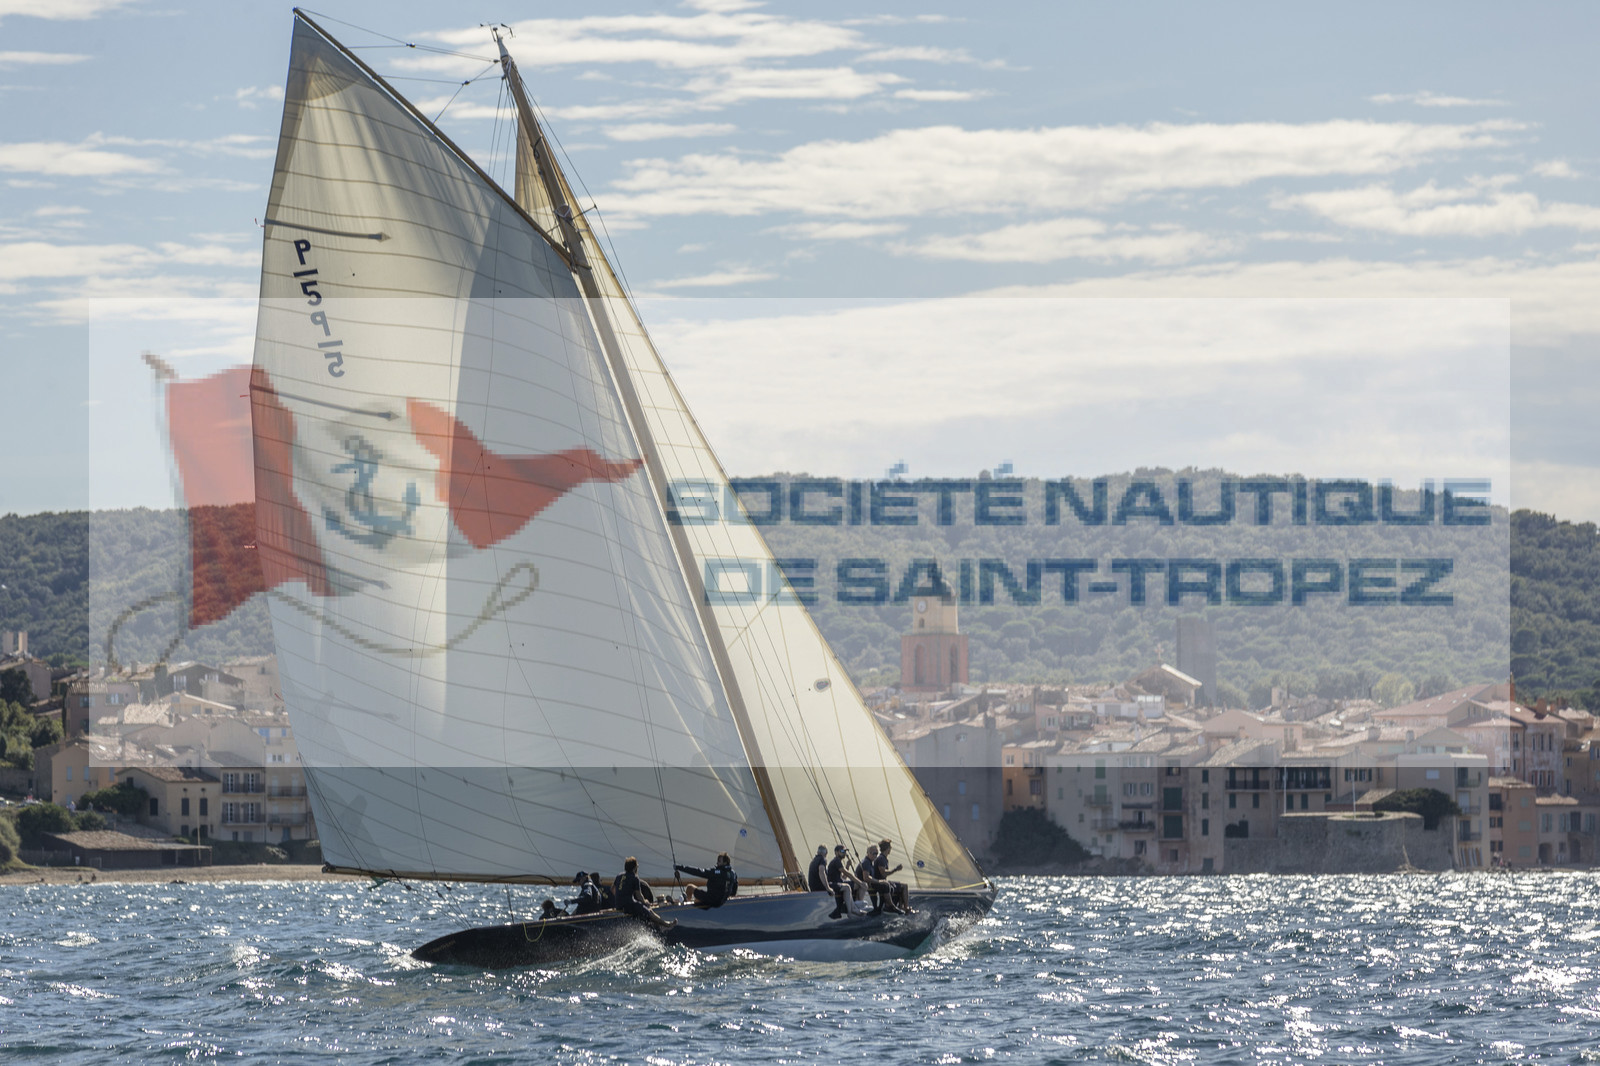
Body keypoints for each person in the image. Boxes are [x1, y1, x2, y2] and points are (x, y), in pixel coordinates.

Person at [615, 856, 676, 930]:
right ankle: (667, 924)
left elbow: (613, 889)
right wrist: (645, 902)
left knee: (643, 907)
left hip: (618, 905)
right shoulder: (634, 877)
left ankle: (662, 922)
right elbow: (639, 895)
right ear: (634, 868)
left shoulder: (619, 875)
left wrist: (620, 896)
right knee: (648, 910)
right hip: (629, 905)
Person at [674, 852, 738, 908]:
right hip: (721, 901)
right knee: (698, 898)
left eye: (719, 861)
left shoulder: (716, 873)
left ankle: (686, 908)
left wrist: (680, 867)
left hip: (711, 900)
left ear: (725, 863)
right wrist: (730, 895)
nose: (717, 862)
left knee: (690, 887)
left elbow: (698, 871)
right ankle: (693, 904)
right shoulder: (733, 873)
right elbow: (735, 885)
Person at [855, 844, 903, 915]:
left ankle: (880, 908)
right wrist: (880, 881)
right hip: (864, 886)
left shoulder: (870, 862)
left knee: (889, 887)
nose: (875, 856)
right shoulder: (866, 862)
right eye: (874, 853)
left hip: (868, 884)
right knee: (885, 886)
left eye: (877, 853)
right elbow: (866, 877)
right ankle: (890, 906)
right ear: (868, 853)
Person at [874, 838, 914, 913]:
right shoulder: (881, 859)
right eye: (890, 847)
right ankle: (905, 907)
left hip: (883, 881)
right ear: (887, 848)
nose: (891, 849)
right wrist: (895, 869)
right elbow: (883, 873)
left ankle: (901, 906)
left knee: (901, 886)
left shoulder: (884, 859)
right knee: (904, 886)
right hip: (880, 883)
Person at [825, 844, 863, 919]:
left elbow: (843, 877)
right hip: (833, 884)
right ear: (836, 852)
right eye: (842, 851)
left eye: (845, 851)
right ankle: (852, 909)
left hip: (838, 882)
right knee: (854, 885)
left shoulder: (838, 861)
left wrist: (848, 866)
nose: (844, 853)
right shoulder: (836, 861)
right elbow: (847, 874)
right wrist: (860, 883)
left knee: (855, 885)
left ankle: (855, 905)